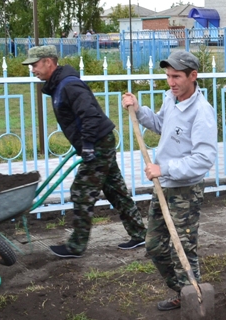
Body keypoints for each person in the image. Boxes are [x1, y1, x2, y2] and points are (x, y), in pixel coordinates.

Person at [121, 50, 217, 320]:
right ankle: (182, 293)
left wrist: (166, 168)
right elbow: (162, 125)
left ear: (193, 76)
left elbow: (204, 158)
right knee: (154, 245)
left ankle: (197, 314)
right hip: (164, 187)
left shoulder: (202, 112)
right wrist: (138, 109)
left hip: (185, 191)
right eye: (168, 76)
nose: (171, 82)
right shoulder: (171, 99)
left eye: (176, 76)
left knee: (184, 253)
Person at [23, 45, 146, 258]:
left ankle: (76, 246)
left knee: (81, 191)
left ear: (48, 62)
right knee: (115, 190)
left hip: (97, 142)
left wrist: (88, 144)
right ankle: (141, 233)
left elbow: (90, 114)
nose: (32, 69)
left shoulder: (69, 85)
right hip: (98, 141)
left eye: (35, 65)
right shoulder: (60, 85)